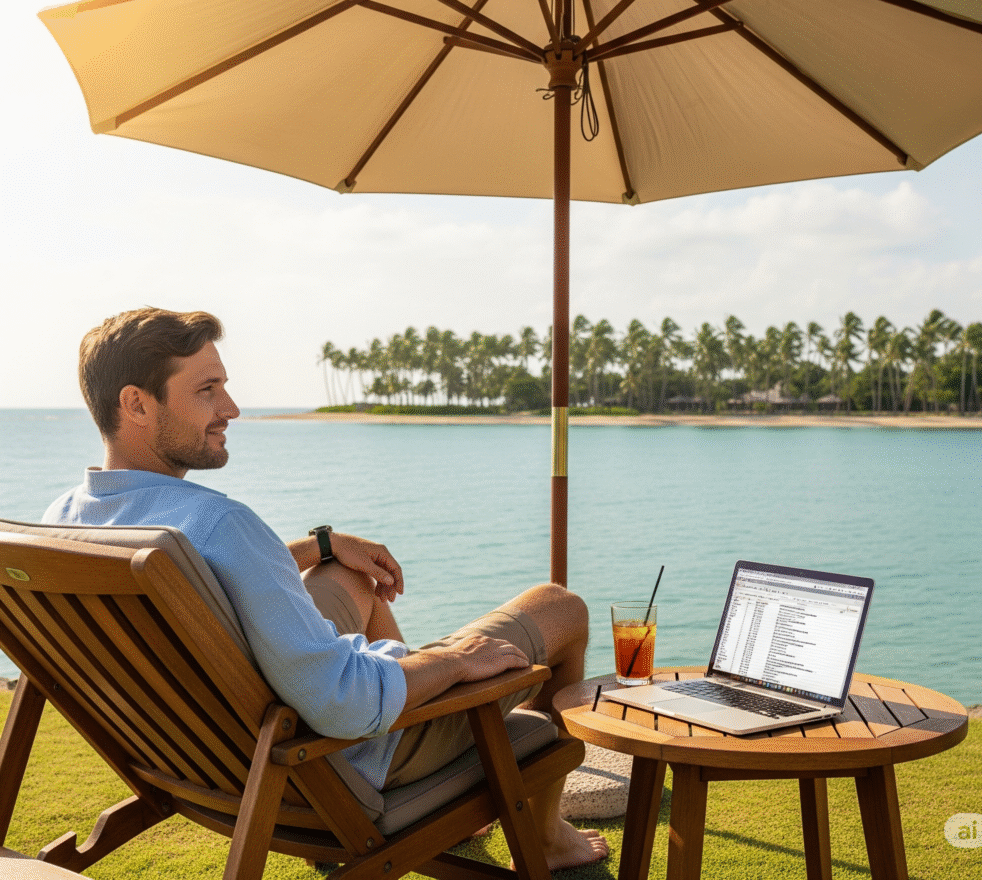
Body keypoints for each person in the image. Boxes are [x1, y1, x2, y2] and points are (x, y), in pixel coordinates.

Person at [44, 308, 607, 872]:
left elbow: (209, 584)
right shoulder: (219, 523)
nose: (230, 409)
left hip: (201, 764)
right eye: (207, 390)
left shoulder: (65, 523)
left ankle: (429, 711)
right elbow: (344, 701)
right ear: (137, 404)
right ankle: (545, 833)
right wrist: (456, 663)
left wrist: (322, 546)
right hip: (324, 761)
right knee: (560, 607)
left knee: (348, 574)